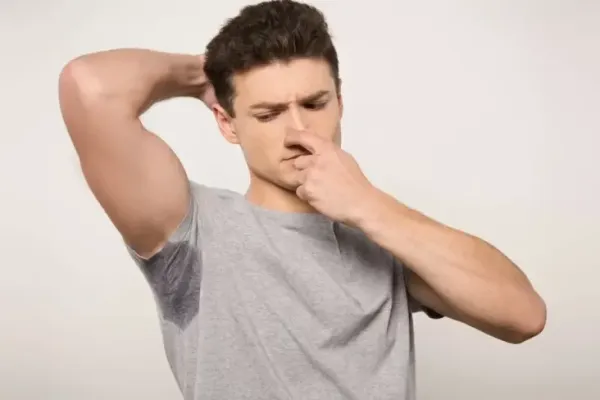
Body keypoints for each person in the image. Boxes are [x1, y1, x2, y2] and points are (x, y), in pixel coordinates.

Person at [58, 0, 546, 399]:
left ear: (340, 101)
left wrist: (367, 206)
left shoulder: (384, 232)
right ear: (227, 123)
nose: (298, 131)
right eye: (268, 113)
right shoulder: (192, 229)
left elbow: (524, 317)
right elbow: (89, 86)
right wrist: (205, 75)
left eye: (314, 104)